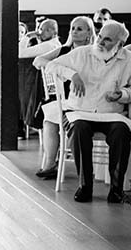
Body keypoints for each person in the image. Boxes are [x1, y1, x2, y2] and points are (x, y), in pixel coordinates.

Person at [46, 20, 131, 203]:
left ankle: (116, 190)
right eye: (100, 36)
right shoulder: (82, 53)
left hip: (110, 113)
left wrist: (121, 95)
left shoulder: (128, 59)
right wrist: (72, 75)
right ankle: (85, 186)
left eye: (107, 40)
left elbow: (130, 91)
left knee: (122, 132)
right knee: (80, 130)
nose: (100, 42)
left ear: (120, 44)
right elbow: (50, 65)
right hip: (80, 111)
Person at [32, 16, 95, 179]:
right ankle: (50, 164)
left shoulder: (95, 52)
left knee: (53, 114)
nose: (74, 31)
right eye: (73, 28)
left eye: (79, 29)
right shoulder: (64, 50)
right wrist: (64, 71)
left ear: (89, 32)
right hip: (65, 98)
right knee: (50, 116)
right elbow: (38, 61)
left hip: (89, 99)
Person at [18, 18, 61, 132]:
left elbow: (20, 53)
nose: (39, 32)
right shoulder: (52, 44)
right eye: (39, 29)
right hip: (49, 86)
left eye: (43, 30)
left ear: (53, 32)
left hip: (45, 89)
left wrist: (27, 36)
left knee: (20, 88)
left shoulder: (49, 46)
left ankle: (22, 124)